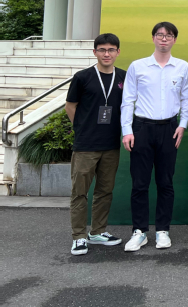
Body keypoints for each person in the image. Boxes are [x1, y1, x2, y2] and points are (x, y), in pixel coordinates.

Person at [121, 22, 188, 252]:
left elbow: (186, 99)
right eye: (160, 35)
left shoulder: (182, 67)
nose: (164, 39)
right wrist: (127, 130)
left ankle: (163, 230)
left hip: (169, 129)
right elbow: (128, 100)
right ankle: (139, 231)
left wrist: (182, 125)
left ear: (174, 40)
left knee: (165, 183)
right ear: (153, 38)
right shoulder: (138, 66)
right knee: (139, 184)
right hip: (141, 128)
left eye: (169, 35)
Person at [65, 33, 126, 256]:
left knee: (104, 191)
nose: (106, 54)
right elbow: (70, 106)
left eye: (111, 50)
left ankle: (98, 231)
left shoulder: (124, 77)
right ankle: (79, 236)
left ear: (118, 52)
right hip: (86, 145)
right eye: (102, 50)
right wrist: (81, 128)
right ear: (95, 52)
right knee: (80, 192)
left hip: (110, 144)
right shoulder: (82, 77)